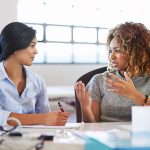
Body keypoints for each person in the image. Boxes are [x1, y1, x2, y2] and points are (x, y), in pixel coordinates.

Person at [75, 22, 150, 123]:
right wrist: (85, 107)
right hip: (106, 137)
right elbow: (91, 127)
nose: (111, 56)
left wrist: (135, 95)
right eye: (110, 51)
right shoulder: (99, 80)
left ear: (136, 53)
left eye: (118, 50)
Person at [0, 22, 70, 126]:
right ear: (16, 47)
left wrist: (55, 119)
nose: (36, 51)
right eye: (32, 46)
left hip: (34, 139)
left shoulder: (38, 81)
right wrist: (43, 118)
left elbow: (46, 118)